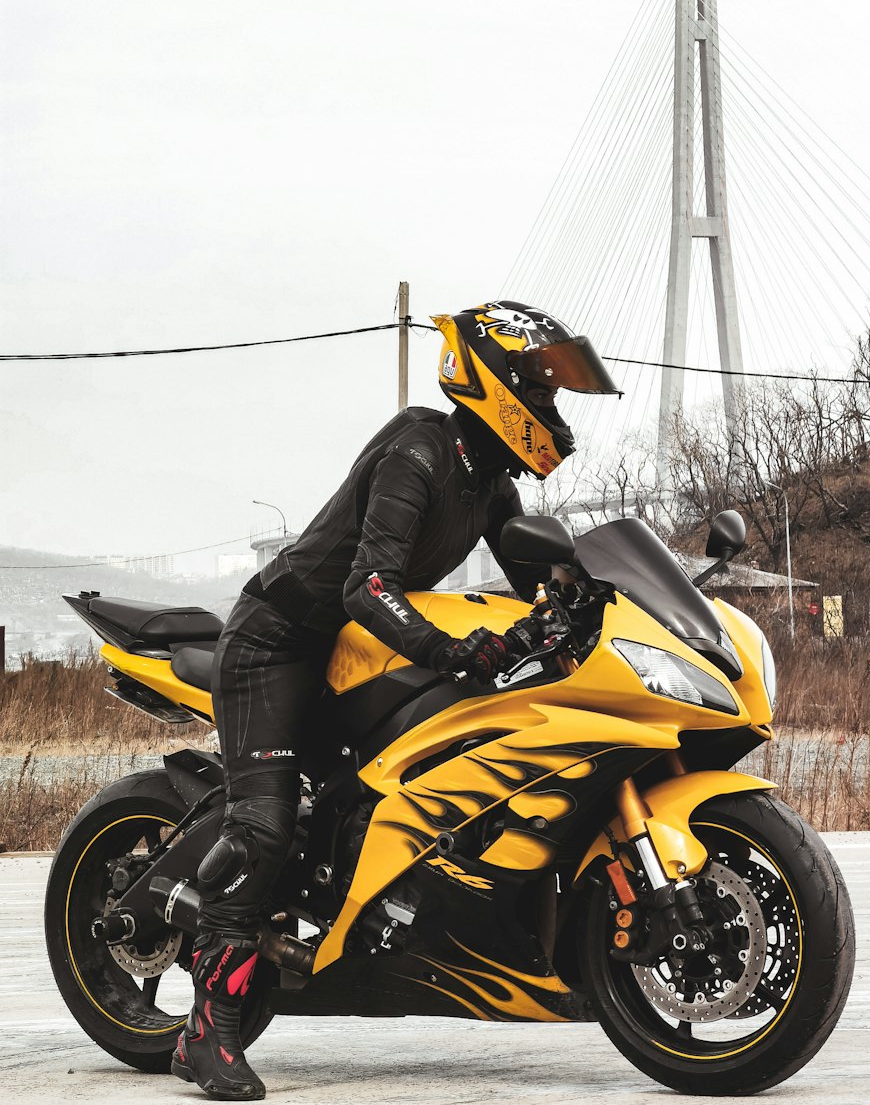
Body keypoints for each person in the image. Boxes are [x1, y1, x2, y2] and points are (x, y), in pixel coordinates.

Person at [171, 301, 620, 1100]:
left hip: (352, 647)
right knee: (266, 825)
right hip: (280, 641)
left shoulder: (486, 479)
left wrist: (596, 604)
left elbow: (534, 576)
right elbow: (368, 582)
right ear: (496, 384)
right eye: (542, 390)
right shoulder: (420, 449)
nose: (551, 410)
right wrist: (454, 649)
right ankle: (205, 1029)